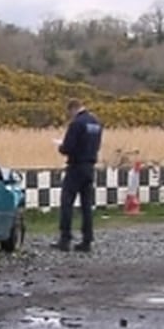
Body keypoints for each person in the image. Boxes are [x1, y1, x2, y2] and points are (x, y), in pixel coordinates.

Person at [51, 98, 103, 253]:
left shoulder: (76, 124)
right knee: (86, 205)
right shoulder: (96, 123)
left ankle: (65, 239)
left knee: (67, 202)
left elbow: (68, 148)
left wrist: (60, 146)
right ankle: (87, 240)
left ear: (72, 109)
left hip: (76, 166)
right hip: (90, 166)